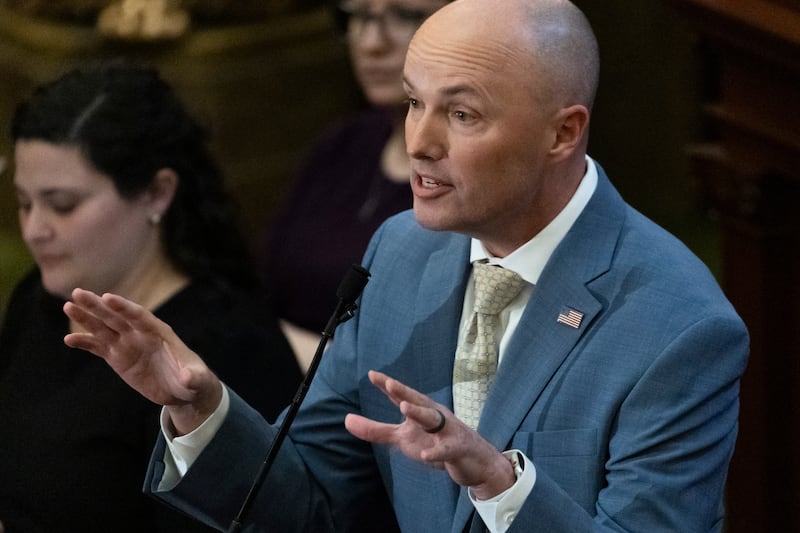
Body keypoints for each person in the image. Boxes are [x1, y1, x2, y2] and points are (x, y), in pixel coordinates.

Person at [63, 1, 750, 531]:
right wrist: (202, 408)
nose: (418, 141)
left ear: (562, 132)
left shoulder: (680, 327)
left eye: (461, 113)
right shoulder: (398, 252)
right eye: (414, 101)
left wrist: (501, 482)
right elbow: (309, 504)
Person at [0, 62, 302, 532]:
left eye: (63, 205)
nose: (34, 229)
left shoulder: (226, 345)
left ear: (157, 193)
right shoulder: (38, 301)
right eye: (23, 202)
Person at [262, 0, 449, 367]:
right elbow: (266, 282)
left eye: (405, 15)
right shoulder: (344, 143)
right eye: (359, 16)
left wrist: (266, 343)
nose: (371, 43)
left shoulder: (467, 173)